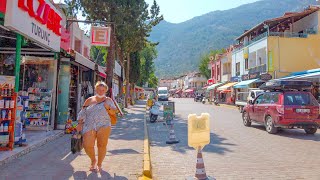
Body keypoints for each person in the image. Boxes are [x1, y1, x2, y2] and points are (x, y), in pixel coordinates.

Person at [76, 81, 117, 173]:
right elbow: (83, 112)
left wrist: (108, 108)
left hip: (104, 125)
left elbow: (114, 112)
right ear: (96, 89)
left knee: (101, 145)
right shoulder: (89, 100)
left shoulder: (108, 100)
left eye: (103, 90)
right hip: (89, 124)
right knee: (87, 145)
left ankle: (99, 164)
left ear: (105, 90)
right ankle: (93, 160)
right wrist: (79, 123)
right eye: (99, 89)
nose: (101, 91)